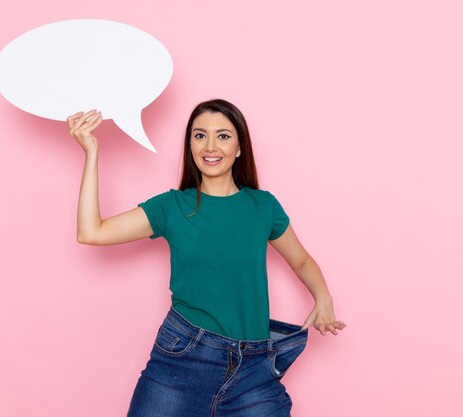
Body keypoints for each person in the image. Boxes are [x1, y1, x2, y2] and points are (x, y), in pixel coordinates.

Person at [67, 99, 346, 417]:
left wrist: (323, 297)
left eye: (223, 136)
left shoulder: (263, 206)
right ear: (190, 146)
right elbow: (92, 232)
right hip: (184, 357)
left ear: (240, 148)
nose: (210, 146)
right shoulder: (171, 207)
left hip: (254, 369)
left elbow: (301, 261)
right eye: (200, 136)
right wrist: (91, 153)